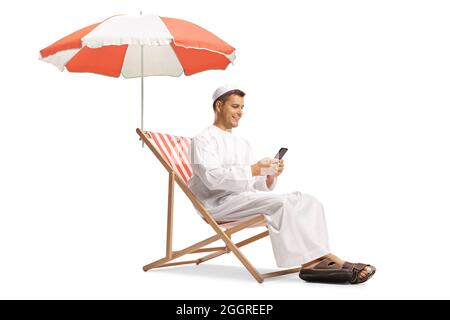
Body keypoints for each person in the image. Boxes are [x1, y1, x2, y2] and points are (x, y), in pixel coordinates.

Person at [187, 85, 376, 284]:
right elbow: (211, 177)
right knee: (281, 205)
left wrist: (268, 176)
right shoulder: (202, 140)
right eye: (235, 106)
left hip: (242, 199)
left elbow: (251, 185)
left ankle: (319, 260)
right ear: (219, 105)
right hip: (217, 204)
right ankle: (320, 262)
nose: (240, 112)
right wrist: (254, 169)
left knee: (308, 201)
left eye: (242, 107)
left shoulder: (242, 142)